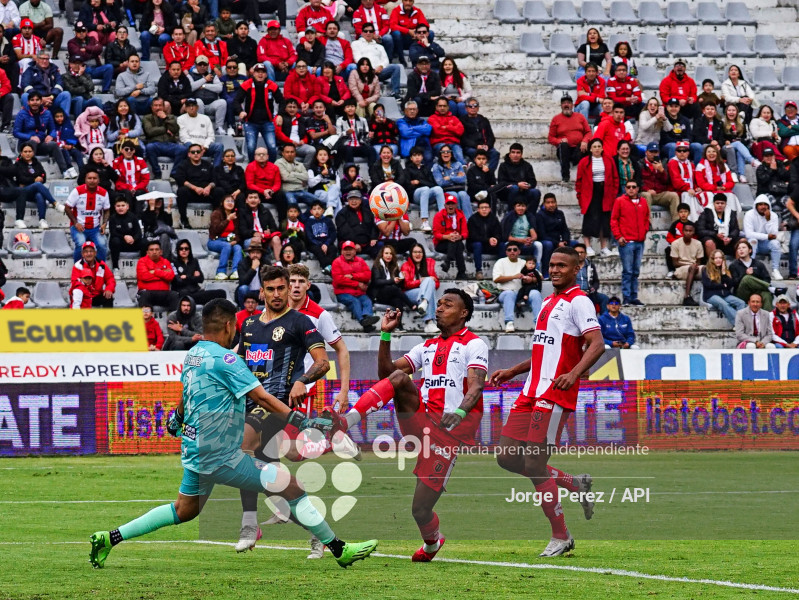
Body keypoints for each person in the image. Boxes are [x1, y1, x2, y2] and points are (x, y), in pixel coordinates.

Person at [90, 297, 378, 568]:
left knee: (184, 510)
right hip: (221, 456)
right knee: (290, 485)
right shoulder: (228, 361)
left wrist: (176, 420)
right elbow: (263, 398)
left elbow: (187, 395)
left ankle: (109, 537)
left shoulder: (194, 354)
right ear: (229, 326)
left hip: (194, 450)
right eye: (234, 328)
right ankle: (340, 549)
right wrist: (301, 421)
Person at [325, 287, 487, 562]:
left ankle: (432, 544)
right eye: (439, 304)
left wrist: (459, 411)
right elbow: (386, 374)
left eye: (447, 305)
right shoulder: (426, 346)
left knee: (420, 510)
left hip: (448, 434)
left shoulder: (474, 344)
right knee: (399, 379)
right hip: (420, 420)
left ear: (464, 313)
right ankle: (345, 422)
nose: (439, 308)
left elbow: (476, 386)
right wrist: (385, 334)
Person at [489, 246, 603, 556]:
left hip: (554, 393)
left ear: (576, 268)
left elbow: (597, 344)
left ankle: (561, 536)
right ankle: (573, 483)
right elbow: (544, 351)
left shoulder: (579, 301)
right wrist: (514, 370)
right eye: (551, 265)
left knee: (535, 463)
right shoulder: (549, 301)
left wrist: (575, 374)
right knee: (507, 458)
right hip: (530, 390)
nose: (554, 270)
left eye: (561, 266)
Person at [576, 138, 618, 256]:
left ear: (602, 148)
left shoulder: (609, 160)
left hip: (605, 192)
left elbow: (615, 178)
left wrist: (613, 194)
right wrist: (580, 196)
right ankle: (588, 246)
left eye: (599, 146)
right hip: (589, 193)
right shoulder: (584, 161)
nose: (597, 149)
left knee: (604, 220)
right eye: (594, 146)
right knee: (589, 219)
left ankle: (604, 247)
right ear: (590, 148)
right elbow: (579, 181)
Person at [611, 180, 650, 306]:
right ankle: (627, 297)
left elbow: (646, 218)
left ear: (638, 188)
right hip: (627, 242)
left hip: (639, 241)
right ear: (625, 189)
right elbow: (614, 220)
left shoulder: (643, 201)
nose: (631, 189)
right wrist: (618, 236)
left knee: (636, 271)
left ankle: (634, 297)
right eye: (628, 187)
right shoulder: (620, 201)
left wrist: (644, 232)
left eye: (634, 187)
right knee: (628, 271)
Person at [235, 62, 283, 162]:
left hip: (268, 122)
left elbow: (282, 101)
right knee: (251, 148)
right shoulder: (246, 84)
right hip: (251, 122)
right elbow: (236, 100)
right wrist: (240, 111)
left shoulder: (272, 85)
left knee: (272, 147)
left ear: (266, 74)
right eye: (258, 72)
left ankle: (270, 169)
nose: (260, 74)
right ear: (253, 73)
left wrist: (280, 115)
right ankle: (253, 169)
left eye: (262, 72)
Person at [11, 141, 61, 230]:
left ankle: (42, 220)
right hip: (23, 192)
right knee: (37, 184)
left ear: (33, 152)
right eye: (25, 152)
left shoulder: (36, 162)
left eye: (30, 151)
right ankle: (55, 203)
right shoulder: (18, 164)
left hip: (33, 191)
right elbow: (21, 178)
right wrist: (34, 179)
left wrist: (36, 178)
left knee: (39, 195)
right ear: (21, 153)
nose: (27, 154)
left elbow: (43, 176)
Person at [64, 167, 110, 262]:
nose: (92, 181)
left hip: (95, 228)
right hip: (79, 227)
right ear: (85, 180)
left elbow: (107, 210)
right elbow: (67, 208)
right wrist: (76, 223)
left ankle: (100, 268)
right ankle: (78, 268)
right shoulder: (77, 191)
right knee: (81, 243)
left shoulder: (104, 193)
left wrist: (104, 223)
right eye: (89, 178)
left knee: (102, 244)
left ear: (98, 180)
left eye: (94, 178)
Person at [332, 240, 379, 331]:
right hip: (343, 293)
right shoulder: (336, 262)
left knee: (367, 301)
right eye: (346, 250)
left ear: (355, 251)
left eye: (350, 249)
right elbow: (339, 280)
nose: (348, 252)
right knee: (354, 302)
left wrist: (353, 276)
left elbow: (367, 275)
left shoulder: (360, 261)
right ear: (342, 251)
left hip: (359, 293)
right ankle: (363, 321)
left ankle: (367, 319)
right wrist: (357, 283)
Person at [492, 242, 536, 332]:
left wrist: (531, 279)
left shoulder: (524, 263)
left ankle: (539, 324)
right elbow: (496, 279)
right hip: (504, 293)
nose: (512, 252)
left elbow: (539, 276)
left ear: (519, 251)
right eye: (509, 250)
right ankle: (509, 322)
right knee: (509, 293)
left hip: (522, 293)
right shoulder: (500, 262)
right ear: (506, 252)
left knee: (535, 293)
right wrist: (513, 276)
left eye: (515, 250)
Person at [369, 244, 416, 326]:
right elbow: (376, 282)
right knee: (393, 288)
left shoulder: (394, 266)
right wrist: (392, 280)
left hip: (390, 294)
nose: (389, 256)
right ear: (382, 254)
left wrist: (402, 279)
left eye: (391, 254)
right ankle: (411, 304)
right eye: (386, 253)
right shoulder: (377, 266)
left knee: (398, 301)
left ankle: (398, 325)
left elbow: (399, 285)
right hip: (378, 295)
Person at [173, 142, 217, 228]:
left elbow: (215, 180)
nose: (196, 154)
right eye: (193, 152)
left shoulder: (208, 165)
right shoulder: (183, 165)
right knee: (181, 191)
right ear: (189, 154)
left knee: (219, 191)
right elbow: (180, 179)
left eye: (198, 151)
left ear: (201, 153)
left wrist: (208, 187)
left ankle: (216, 219)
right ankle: (184, 219)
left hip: (206, 193)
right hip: (191, 192)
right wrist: (195, 188)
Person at [351, 23, 400, 98]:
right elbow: (357, 58)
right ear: (362, 32)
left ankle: (395, 93)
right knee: (354, 67)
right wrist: (371, 69)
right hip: (364, 72)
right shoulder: (355, 43)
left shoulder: (379, 46)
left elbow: (385, 60)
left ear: (373, 33)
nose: (368, 33)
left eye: (370, 31)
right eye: (366, 31)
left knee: (396, 67)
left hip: (378, 72)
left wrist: (381, 66)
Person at [143, 96, 187, 179]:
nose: (158, 108)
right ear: (152, 107)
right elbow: (150, 131)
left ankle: (174, 173)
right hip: (155, 144)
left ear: (163, 107)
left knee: (183, 149)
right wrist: (165, 129)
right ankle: (157, 172)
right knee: (149, 147)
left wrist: (165, 118)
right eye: (155, 105)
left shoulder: (170, 117)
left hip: (170, 144)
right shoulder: (147, 118)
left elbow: (174, 130)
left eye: (160, 105)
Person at [548, 95, 590, 183]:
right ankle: (565, 176)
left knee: (592, 145)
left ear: (572, 105)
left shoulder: (580, 117)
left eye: (568, 103)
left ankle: (587, 177)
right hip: (564, 150)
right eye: (564, 103)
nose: (566, 105)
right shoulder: (556, 119)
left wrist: (584, 141)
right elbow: (550, 138)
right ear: (561, 106)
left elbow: (588, 132)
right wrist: (559, 141)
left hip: (578, 149)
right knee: (563, 145)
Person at [400, 242, 440, 333]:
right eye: (415, 252)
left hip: (423, 294)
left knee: (430, 282)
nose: (418, 254)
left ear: (423, 253)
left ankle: (424, 304)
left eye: (420, 252)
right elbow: (406, 284)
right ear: (411, 253)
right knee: (429, 283)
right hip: (409, 294)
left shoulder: (428, 264)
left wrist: (427, 281)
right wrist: (421, 281)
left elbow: (437, 284)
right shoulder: (405, 266)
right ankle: (429, 322)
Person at [743, 194, 783, 281]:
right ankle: (751, 268)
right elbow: (749, 234)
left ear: (768, 206)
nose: (763, 207)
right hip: (752, 243)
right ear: (756, 205)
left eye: (765, 204)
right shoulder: (749, 214)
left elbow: (773, 235)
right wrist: (767, 236)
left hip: (765, 244)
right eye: (760, 204)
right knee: (753, 241)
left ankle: (775, 270)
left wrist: (768, 220)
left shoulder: (773, 215)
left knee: (775, 244)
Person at [702, 249, 746, 326]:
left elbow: (729, 285)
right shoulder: (706, 270)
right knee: (724, 304)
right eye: (716, 258)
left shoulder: (725, 270)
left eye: (720, 258)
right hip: (711, 295)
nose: (718, 260)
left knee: (741, 303)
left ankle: (738, 325)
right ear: (712, 259)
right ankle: (740, 324)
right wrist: (722, 285)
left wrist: (723, 274)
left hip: (724, 295)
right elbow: (708, 285)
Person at [404, 145, 442, 232]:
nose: (417, 158)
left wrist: (419, 181)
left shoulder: (426, 169)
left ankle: (443, 219)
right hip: (414, 196)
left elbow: (433, 184)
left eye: (419, 155)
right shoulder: (407, 170)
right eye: (414, 155)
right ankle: (424, 222)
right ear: (411, 158)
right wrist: (422, 183)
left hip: (427, 194)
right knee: (425, 189)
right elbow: (408, 186)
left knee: (438, 189)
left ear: (422, 157)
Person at [693, 144, 739, 218]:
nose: (711, 154)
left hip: (722, 189)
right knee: (709, 195)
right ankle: (711, 219)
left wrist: (724, 187)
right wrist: (715, 188)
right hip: (707, 190)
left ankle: (731, 219)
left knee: (730, 196)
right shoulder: (700, 166)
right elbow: (701, 183)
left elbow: (730, 181)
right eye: (709, 152)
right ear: (705, 154)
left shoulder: (723, 165)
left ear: (717, 153)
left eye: (714, 151)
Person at [730, 239, 775, 310]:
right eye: (739, 248)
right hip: (742, 293)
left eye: (743, 248)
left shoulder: (759, 264)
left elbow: (767, 279)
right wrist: (745, 273)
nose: (741, 250)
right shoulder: (733, 265)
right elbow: (734, 283)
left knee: (767, 295)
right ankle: (769, 288)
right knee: (747, 278)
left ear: (750, 250)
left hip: (757, 292)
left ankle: (768, 319)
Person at [66, 22, 112, 93]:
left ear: (87, 31)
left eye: (83, 31)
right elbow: (79, 55)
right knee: (85, 69)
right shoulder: (71, 42)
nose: (81, 33)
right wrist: (93, 51)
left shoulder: (92, 39)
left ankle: (105, 90)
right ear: (75, 32)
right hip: (83, 69)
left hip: (96, 68)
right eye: (78, 31)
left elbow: (99, 48)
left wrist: (86, 49)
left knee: (109, 67)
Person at [20, 51, 70, 116]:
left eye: (47, 59)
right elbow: (25, 85)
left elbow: (60, 84)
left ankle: (64, 123)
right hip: (36, 100)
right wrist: (40, 98)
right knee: (25, 96)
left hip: (52, 99)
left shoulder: (54, 70)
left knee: (66, 94)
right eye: (42, 59)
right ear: (37, 60)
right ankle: (30, 121)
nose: (45, 61)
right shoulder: (30, 70)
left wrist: (51, 97)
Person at [177, 97, 224, 167]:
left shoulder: (206, 118)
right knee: (184, 146)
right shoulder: (180, 119)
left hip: (204, 147)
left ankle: (215, 172)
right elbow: (183, 137)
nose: (191, 108)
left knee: (219, 146)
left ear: (197, 107)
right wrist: (197, 147)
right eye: (189, 106)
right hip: (190, 146)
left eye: (193, 105)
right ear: (185, 108)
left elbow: (211, 136)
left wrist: (205, 146)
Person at [638, 142, 679, 219]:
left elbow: (667, 181)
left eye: (655, 152)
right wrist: (647, 190)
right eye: (651, 152)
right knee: (647, 195)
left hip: (660, 194)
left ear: (659, 153)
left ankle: (676, 225)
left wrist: (662, 171)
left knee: (674, 195)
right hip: (645, 193)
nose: (653, 154)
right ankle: (647, 223)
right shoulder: (640, 164)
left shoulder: (663, 163)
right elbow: (638, 181)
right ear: (646, 152)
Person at [187, 54, 227, 136]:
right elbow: (191, 87)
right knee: (198, 101)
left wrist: (205, 86)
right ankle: (201, 128)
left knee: (222, 102)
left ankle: (219, 127)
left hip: (211, 104)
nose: (202, 66)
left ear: (208, 65)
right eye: (200, 64)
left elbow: (219, 88)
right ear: (195, 65)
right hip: (197, 105)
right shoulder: (190, 75)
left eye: (204, 64)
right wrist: (205, 79)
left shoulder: (212, 74)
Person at [497, 143, 540, 214]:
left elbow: (533, 182)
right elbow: (501, 182)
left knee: (536, 192)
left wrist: (526, 185)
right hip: (507, 192)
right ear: (510, 154)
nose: (515, 155)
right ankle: (511, 215)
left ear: (521, 154)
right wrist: (517, 185)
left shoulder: (527, 166)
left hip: (523, 191)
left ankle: (530, 216)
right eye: (513, 152)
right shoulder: (503, 166)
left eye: (518, 153)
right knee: (514, 188)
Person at [70, 239, 115, 307]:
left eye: (91, 251)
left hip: (96, 295)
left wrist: (109, 289)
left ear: (95, 253)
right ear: (82, 254)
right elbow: (75, 283)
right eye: (86, 252)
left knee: (108, 297)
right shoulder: (77, 266)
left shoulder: (101, 265)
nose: (89, 254)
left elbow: (110, 278)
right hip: (83, 296)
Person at [208, 195, 244, 280]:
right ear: (222, 203)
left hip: (230, 241)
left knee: (238, 247)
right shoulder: (216, 213)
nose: (230, 203)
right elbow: (216, 229)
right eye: (227, 201)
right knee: (226, 246)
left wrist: (236, 241)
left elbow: (238, 232)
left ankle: (236, 271)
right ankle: (220, 272)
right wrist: (227, 219)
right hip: (215, 241)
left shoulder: (236, 216)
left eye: (232, 201)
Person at [722, 103, 759, 183]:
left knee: (739, 151)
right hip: (726, 148)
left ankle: (741, 175)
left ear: (737, 112)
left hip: (739, 147)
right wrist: (726, 141)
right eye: (729, 110)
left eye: (733, 110)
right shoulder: (722, 123)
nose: (731, 112)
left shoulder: (742, 124)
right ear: (726, 112)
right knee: (737, 144)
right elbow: (719, 137)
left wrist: (740, 141)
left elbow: (747, 139)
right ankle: (752, 160)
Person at [136, 239, 179, 310]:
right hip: (147, 293)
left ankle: (173, 320)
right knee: (144, 295)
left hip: (164, 293)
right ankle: (146, 320)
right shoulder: (142, 261)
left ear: (161, 252)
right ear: (147, 252)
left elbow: (171, 276)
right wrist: (163, 272)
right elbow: (144, 276)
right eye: (151, 250)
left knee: (174, 295)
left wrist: (155, 272)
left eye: (156, 249)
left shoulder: (166, 262)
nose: (154, 252)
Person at [466, 198, 502, 280]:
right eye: (482, 208)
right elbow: (473, 236)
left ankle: (501, 271)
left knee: (502, 245)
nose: (484, 209)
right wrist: (488, 240)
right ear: (478, 209)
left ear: (489, 209)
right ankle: (479, 271)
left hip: (490, 245)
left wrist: (495, 239)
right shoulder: (472, 219)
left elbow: (499, 233)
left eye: (486, 207)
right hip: (475, 245)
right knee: (477, 244)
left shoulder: (494, 219)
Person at [244, 146, 285, 219]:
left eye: (263, 154)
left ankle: (282, 221)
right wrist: (263, 191)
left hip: (271, 193)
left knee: (281, 195)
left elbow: (277, 183)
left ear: (268, 156)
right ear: (255, 156)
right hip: (257, 193)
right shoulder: (250, 166)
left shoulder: (274, 167)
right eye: (259, 154)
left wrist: (272, 191)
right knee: (249, 194)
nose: (261, 156)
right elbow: (250, 184)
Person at [432, 195, 467, 278]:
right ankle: (462, 272)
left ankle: (447, 263)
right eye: (448, 204)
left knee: (456, 242)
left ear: (456, 206)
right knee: (456, 243)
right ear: (445, 205)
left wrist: (460, 237)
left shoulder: (461, 216)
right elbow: (436, 234)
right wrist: (447, 237)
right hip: (441, 243)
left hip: (456, 241)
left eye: (452, 204)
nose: (450, 206)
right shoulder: (439, 215)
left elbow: (465, 233)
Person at [274, 99, 316, 167]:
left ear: (297, 109)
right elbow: (278, 133)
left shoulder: (301, 119)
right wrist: (290, 142)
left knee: (312, 150)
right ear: (285, 108)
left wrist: (303, 141)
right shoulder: (280, 118)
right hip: (284, 145)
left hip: (299, 145)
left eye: (294, 107)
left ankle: (304, 169)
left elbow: (305, 134)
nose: (292, 109)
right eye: (290, 107)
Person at [669, 221, 703, 305]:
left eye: (690, 231)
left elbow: (698, 262)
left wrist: (694, 265)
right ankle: (687, 296)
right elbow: (675, 263)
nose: (688, 233)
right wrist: (690, 265)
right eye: (686, 230)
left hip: (694, 267)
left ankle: (707, 297)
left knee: (707, 269)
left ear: (693, 232)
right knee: (692, 267)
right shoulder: (675, 243)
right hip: (680, 269)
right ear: (682, 231)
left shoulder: (698, 243)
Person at [536, 193, 571, 276]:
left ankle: (571, 272)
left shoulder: (560, 213)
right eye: (548, 203)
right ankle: (546, 273)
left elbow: (565, 229)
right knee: (548, 245)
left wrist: (565, 240)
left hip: (559, 240)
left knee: (574, 244)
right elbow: (542, 234)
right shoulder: (540, 215)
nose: (551, 205)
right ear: (544, 204)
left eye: (553, 202)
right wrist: (557, 243)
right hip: (546, 240)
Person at [276, 142, 317, 207]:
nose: (290, 154)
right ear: (283, 153)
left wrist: (292, 174)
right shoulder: (279, 163)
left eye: (292, 152)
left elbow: (306, 177)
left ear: (295, 153)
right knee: (293, 205)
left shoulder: (300, 164)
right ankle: (300, 217)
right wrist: (300, 179)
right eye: (287, 152)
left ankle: (306, 216)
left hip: (301, 191)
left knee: (318, 202)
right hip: (287, 191)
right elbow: (285, 177)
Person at [389, 0, 429, 66]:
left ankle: (426, 57)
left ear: (413, 2)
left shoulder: (417, 11)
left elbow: (425, 24)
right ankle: (401, 59)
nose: (408, 3)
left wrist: (417, 33)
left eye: (410, 1)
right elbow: (392, 25)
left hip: (415, 38)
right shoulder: (396, 10)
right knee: (396, 33)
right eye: (406, 0)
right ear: (402, 1)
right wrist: (408, 31)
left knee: (430, 33)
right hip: (401, 40)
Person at [502, 198, 542, 263]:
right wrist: (522, 240)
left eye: (523, 206)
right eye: (518, 206)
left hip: (526, 242)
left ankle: (536, 268)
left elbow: (534, 235)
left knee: (539, 245)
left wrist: (530, 240)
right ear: (514, 207)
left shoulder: (529, 217)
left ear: (526, 207)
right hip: (513, 241)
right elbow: (507, 237)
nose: (521, 208)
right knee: (505, 246)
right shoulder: (509, 217)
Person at [427, 97, 464, 165]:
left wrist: (446, 127)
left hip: (453, 143)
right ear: (436, 107)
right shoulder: (432, 118)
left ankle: (462, 169)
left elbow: (460, 131)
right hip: (439, 144)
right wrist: (453, 128)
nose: (442, 108)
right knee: (446, 150)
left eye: (444, 106)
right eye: (440, 106)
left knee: (458, 153)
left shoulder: (454, 118)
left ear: (448, 107)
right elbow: (437, 132)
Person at [336, 98, 373, 165]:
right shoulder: (340, 120)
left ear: (355, 108)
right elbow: (337, 136)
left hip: (359, 145)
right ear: (344, 109)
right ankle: (351, 172)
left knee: (371, 150)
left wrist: (369, 136)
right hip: (347, 146)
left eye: (352, 106)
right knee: (348, 150)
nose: (350, 109)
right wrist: (346, 133)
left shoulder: (363, 120)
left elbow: (366, 137)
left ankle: (372, 172)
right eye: (348, 107)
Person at [108, 196, 143, 270]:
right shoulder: (112, 218)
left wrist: (134, 239)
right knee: (114, 241)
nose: (120, 208)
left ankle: (143, 266)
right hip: (120, 243)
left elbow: (138, 232)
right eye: (118, 206)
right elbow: (113, 232)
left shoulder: (133, 217)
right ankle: (115, 267)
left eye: (123, 205)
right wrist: (124, 237)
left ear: (127, 206)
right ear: (115, 207)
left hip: (132, 243)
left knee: (145, 242)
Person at [303, 199, 337, 272]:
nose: (317, 211)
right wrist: (321, 244)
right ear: (311, 211)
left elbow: (333, 233)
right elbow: (309, 236)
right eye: (314, 209)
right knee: (319, 251)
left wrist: (326, 244)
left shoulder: (327, 220)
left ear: (323, 210)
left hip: (327, 243)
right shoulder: (308, 222)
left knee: (333, 249)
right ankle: (327, 266)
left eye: (319, 209)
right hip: (314, 244)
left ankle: (328, 267)